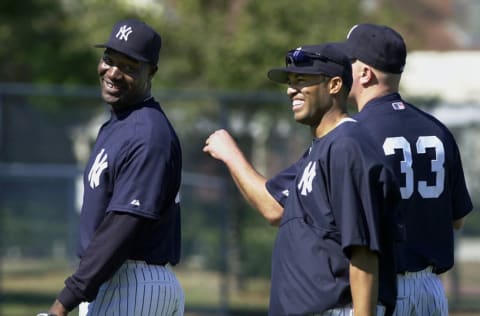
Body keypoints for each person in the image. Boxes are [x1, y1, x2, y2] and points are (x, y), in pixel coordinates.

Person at [205, 43, 400, 315]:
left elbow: (363, 251)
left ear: (334, 85)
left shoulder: (346, 146)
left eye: (302, 80)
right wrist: (231, 156)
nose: (290, 90)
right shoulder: (321, 148)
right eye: (290, 81)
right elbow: (273, 208)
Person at [38, 19, 184, 316]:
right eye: (109, 59)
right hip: (117, 280)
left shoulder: (147, 134)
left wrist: (63, 303)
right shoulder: (120, 125)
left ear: (151, 72)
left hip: (130, 282)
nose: (113, 72)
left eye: (129, 66)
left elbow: (122, 226)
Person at [336, 23, 474, 316]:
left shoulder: (352, 134)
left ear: (365, 73)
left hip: (376, 291)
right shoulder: (438, 130)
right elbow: (457, 219)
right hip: (430, 291)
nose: (343, 69)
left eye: (349, 62)